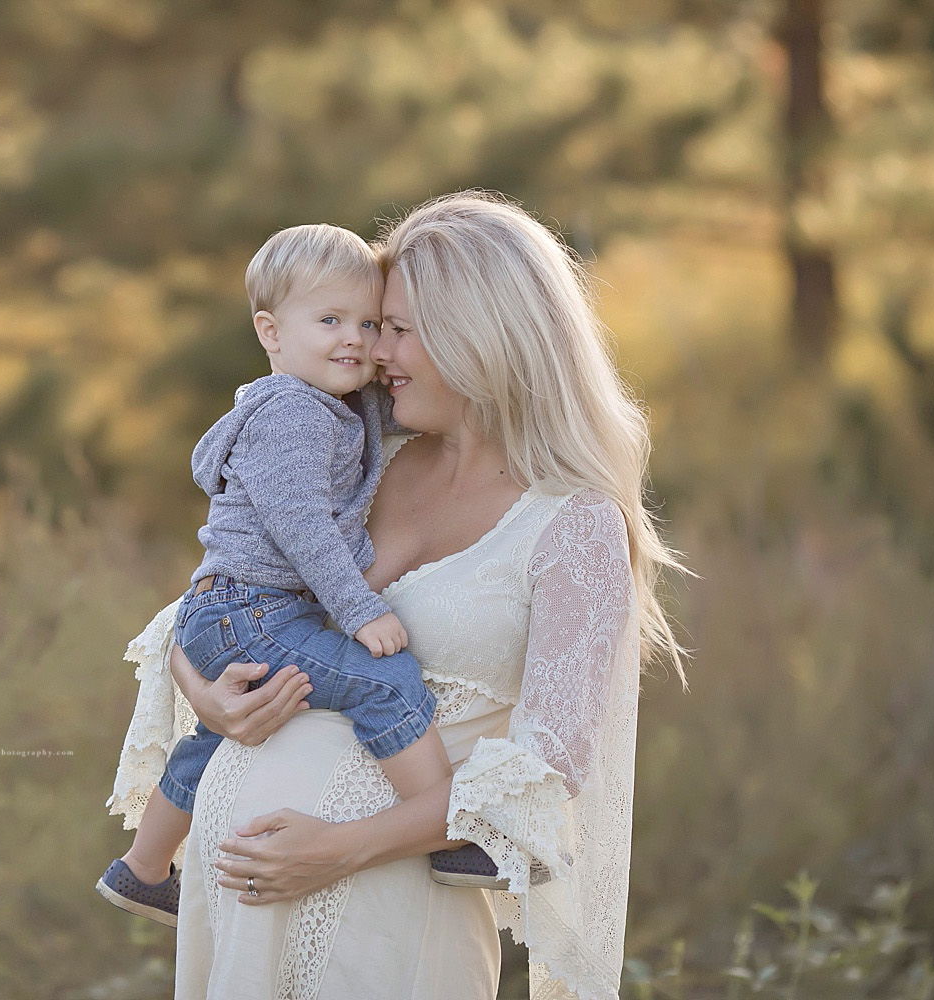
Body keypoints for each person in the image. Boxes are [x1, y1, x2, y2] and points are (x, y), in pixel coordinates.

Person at [106, 190, 688, 1000]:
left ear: (480, 336)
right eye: (371, 325)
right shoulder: (370, 461)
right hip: (242, 901)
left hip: (389, 916)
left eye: (396, 328)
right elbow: (226, 599)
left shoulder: (575, 525)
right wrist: (206, 694)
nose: (374, 353)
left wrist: (341, 846)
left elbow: (547, 770)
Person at [97, 223, 507, 929]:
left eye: (372, 323)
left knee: (217, 739)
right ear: (271, 332)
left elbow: (419, 401)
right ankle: (454, 832)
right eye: (330, 321)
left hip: (230, 613)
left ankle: (143, 867)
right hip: (255, 610)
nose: (357, 340)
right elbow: (304, 531)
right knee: (383, 679)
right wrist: (358, 610)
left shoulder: (331, 405)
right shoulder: (293, 415)